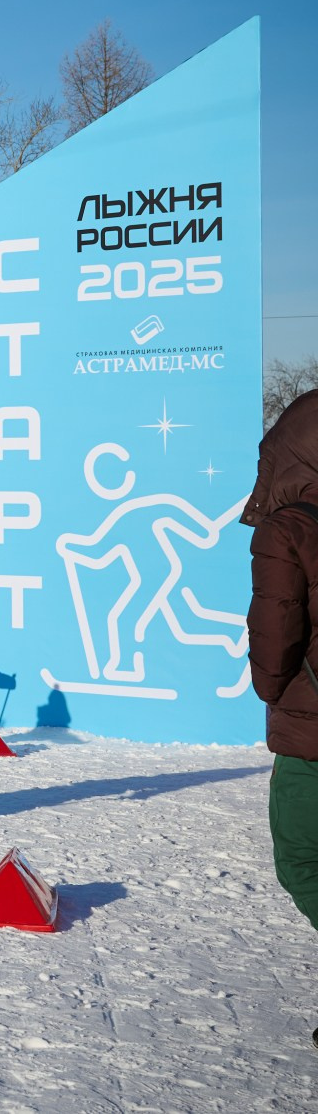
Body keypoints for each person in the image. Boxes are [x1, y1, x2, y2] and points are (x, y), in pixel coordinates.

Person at [243, 388, 318, 948]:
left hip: (311, 728)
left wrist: (269, 687)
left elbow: (276, 636)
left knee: (303, 864)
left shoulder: (289, 528)